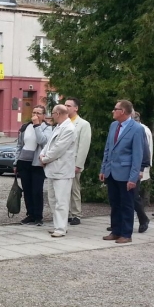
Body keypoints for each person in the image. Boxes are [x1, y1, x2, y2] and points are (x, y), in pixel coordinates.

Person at [100, 99, 144, 244]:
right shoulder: (114, 125)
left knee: (126, 204)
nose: (113, 111)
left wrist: (133, 178)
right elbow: (108, 149)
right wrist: (103, 168)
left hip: (125, 173)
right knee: (115, 203)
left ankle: (126, 233)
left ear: (123, 111)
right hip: (111, 171)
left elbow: (137, 155)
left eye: (115, 109)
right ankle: (116, 231)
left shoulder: (136, 129)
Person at [39, 104, 77, 238]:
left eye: (53, 114)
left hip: (62, 170)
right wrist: (42, 154)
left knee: (61, 201)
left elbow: (59, 148)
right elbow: (49, 144)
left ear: (58, 114)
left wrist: (45, 159)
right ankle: (58, 225)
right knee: (53, 200)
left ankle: (61, 228)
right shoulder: (58, 127)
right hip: (52, 169)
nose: (52, 116)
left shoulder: (69, 128)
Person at [14, 106, 49, 225]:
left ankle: (38, 216)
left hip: (37, 163)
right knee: (27, 190)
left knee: (37, 190)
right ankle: (30, 214)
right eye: (34, 112)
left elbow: (42, 141)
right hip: (24, 161)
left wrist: (37, 125)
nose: (35, 115)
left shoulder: (47, 128)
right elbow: (19, 145)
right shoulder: (25, 127)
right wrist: (16, 162)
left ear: (44, 116)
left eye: (39, 113)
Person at [65, 97, 92, 226]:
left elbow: (83, 146)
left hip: (74, 161)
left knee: (74, 189)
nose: (66, 108)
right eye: (65, 105)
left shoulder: (83, 124)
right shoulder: (63, 122)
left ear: (76, 108)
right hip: (63, 162)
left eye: (69, 106)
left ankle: (76, 214)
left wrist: (79, 164)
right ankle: (67, 213)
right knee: (64, 189)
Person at [133, 112, 153, 233]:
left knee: (134, 196)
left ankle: (143, 218)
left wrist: (142, 169)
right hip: (128, 168)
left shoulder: (143, 130)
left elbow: (146, 151)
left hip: (138, 168)